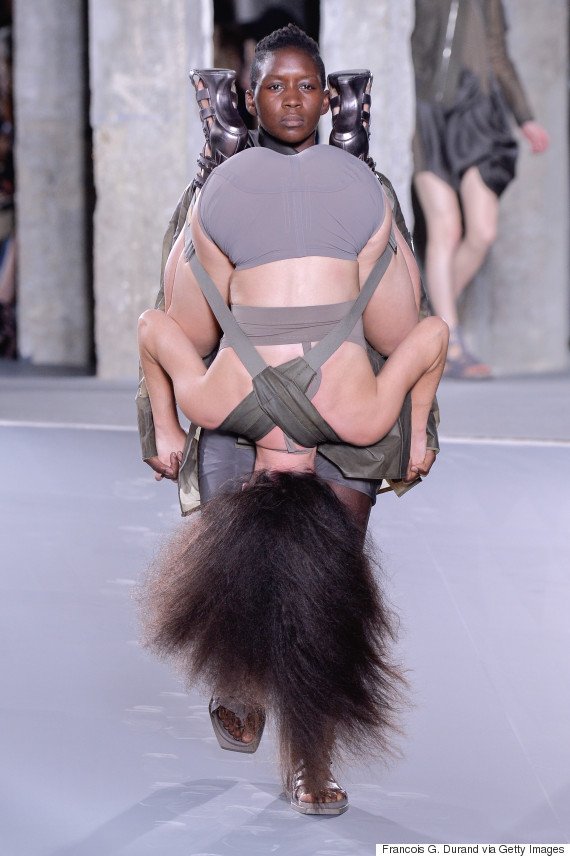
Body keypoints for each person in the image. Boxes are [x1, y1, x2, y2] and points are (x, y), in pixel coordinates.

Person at [137, 25, 446, 815]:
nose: (293, 99)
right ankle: (240, 681)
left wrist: (398, 415)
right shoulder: (216, 198)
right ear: (248, 96)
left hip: (342, 403)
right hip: (246, 403)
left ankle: (309, 761)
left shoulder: (363, 196)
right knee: (240, 556)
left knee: (327, 582)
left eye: (308, 86)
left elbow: (396, 331)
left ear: (329, 96)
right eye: (275, 85)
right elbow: (185, 326)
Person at [412, 0, 549, 378]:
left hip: (476, 112)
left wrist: (525, 116)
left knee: (483, 230)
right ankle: (449, 341)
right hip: (427, 114)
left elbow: (497, 54)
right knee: (446, 229)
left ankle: (423, 325)